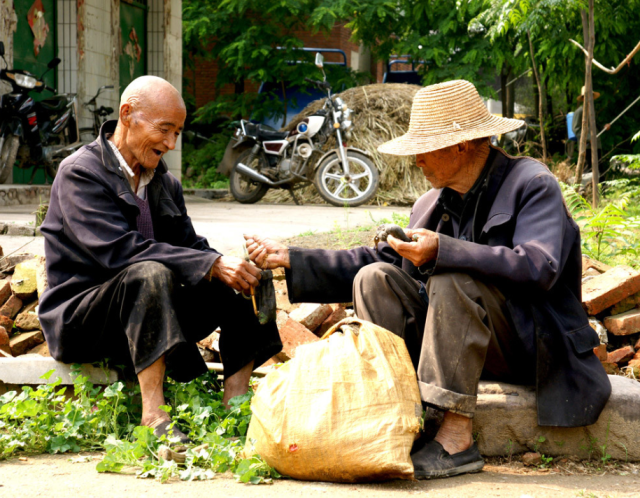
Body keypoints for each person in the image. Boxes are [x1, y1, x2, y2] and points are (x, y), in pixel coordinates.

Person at [245, 80, 611, 479]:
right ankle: (394, 414)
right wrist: (291, 258)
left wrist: (444, 250)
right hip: (457, 346)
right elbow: (379, 259)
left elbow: (539, 267)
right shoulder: (431, 202)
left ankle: (457, 439)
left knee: (452, 278)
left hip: (530, 344)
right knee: (374, 278)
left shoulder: (531, 183)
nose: (416, 160)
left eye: (424, 147)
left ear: (461, 145)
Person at [39, 76, 282, 442]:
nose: (170, 143)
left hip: (147, 313)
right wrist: (210, 265)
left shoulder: (163, 182)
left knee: (244, 282)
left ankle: (235, 408)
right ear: (127, 115)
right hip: (84, 320)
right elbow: (119, 252)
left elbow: (189, 246)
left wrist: (225, 264)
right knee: (149, 271)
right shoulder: (80, 173)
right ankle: (154, 417)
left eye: (178, 133)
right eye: (164, 130)